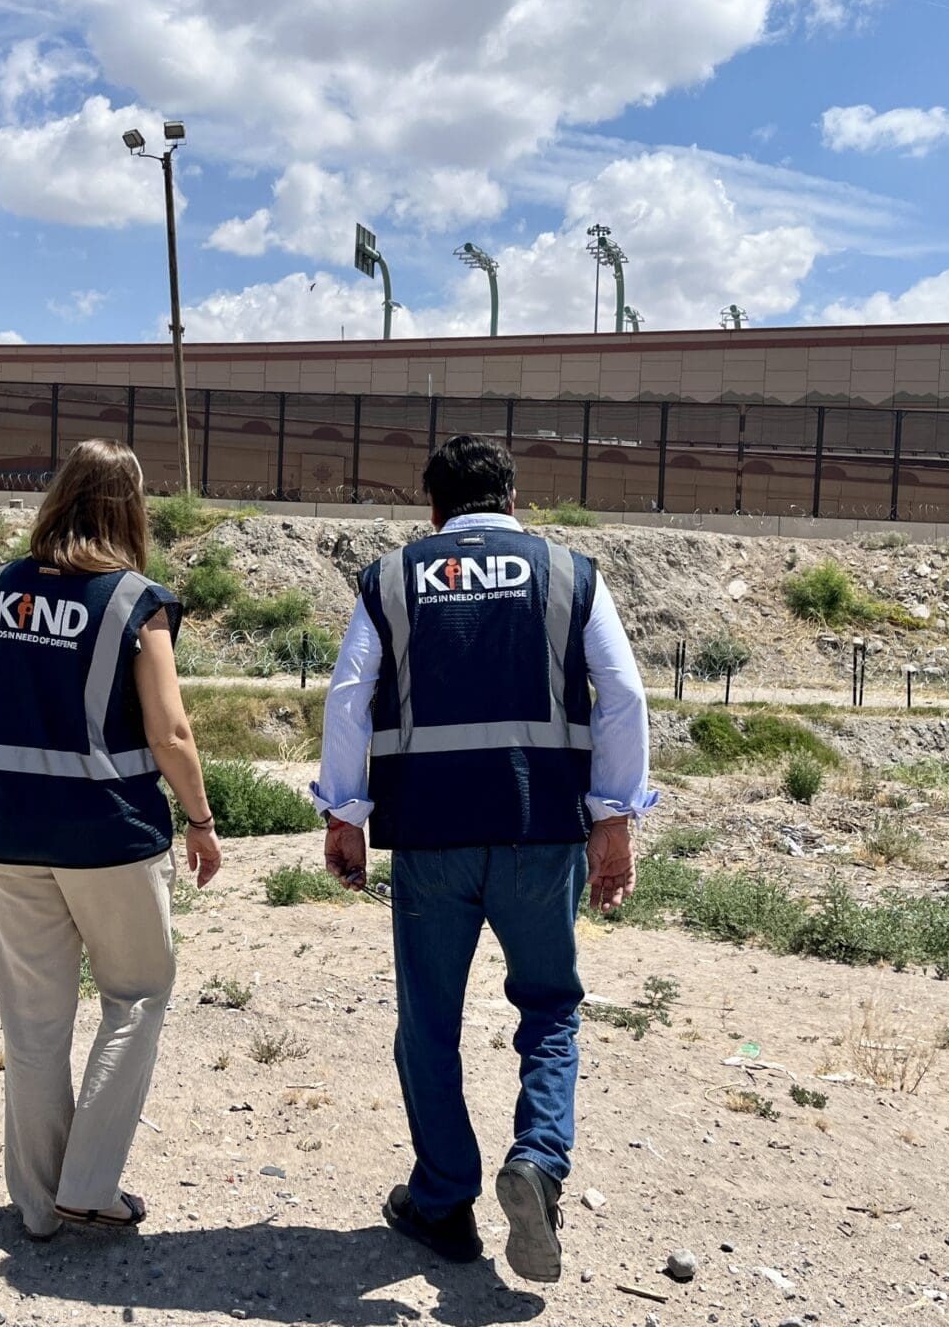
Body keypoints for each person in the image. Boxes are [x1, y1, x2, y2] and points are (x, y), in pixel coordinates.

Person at [312, 435, 657, 1284]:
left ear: (432, 508)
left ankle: (442, 1199)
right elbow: (624, 694)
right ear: (513, 499)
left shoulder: (392, 578)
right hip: (542, 831)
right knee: (549, 1008)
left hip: (429, 837)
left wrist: (345, 814)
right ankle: (538, 1162)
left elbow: (349, 696)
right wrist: (614, 817)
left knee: (428, 1020)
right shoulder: (571, 574)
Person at [0, 439, 222, 1241]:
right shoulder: (133, 601)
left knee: (34, 1026)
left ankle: (39, 1207)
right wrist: (203, 821)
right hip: (110, 833)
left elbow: (3, 690)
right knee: (137, 997)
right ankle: (88, 1186)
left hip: (13, 830)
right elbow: (172, 733)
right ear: (129, 509)